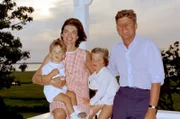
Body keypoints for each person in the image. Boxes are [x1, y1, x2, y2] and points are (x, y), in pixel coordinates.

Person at [32, 18, 94, 119]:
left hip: (80, 99)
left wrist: (96, 99)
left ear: (78, 36)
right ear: (62, 34)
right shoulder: (53, 56)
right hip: (60, 95)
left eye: (73, 32)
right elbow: (35, 78)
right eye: (66, 32)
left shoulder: (85, 55)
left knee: (80, 117)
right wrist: (51, 82)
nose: (69, 35)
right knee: (59, 114)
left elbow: (97, 77)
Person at [108, 9, 165, 119]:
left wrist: (152, 109)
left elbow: (156, 80)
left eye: (127, 24)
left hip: (143, 97)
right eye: (120, 25)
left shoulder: (148, 46)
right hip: (122, 97)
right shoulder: (115, 49)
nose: (124, 27)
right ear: (117, 29)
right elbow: (110, 72)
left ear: (135, 25)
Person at [42, 39, 87, 119]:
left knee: (72, 94)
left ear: (63, 56)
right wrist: (51, 74)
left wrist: (63, 82)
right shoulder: (47, 67)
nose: (57, 54)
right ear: (50, 54)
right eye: (54, 51)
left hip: (60, 89)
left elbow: (62, 78)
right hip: (52, 92)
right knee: (66, 98)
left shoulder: (61, 65)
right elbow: (44, 80)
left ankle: (76, 110)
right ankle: (73, 116)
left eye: (59, 52)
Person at [87, 48, 119, 119]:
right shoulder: (95, 74)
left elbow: (101, 92)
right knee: (87, 115)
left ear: (104, 61)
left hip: (112, 102)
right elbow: (89, 82)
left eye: (98, 60)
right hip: (102, 101)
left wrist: (90, 102)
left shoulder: (105, 74)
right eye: (93, 59)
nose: (95, 62)